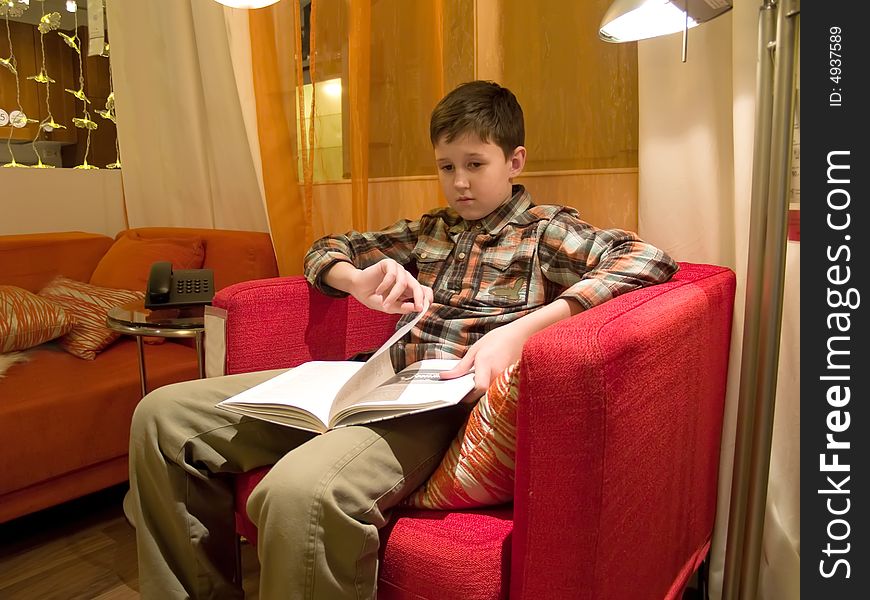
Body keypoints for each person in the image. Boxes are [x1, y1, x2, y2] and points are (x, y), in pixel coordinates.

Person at [128, 80, 678, 599]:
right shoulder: (429, 230)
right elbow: (326, 247)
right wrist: (356, 281)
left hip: (438, 400)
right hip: (371, 376)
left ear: (515, 161)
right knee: (162, 417)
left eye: (475, 165)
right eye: (446, 166)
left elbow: (647, 259)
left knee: (301, 493)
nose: (459, 182)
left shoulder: (544, 231)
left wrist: (522, 331)